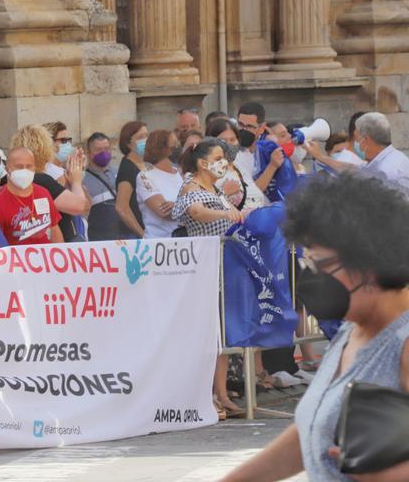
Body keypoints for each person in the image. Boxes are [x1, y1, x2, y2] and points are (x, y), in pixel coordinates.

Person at [223, 172, 409, 482]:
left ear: (369, 261)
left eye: (318, 264)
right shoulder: (353, 330)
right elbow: (311, 434)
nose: (309, 277)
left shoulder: (402, 343)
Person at [173, 138, 245, 419]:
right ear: (203, 163)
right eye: (218, 157)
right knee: (205, 337)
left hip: (223, 268)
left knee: (221, 336)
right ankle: (203, 395)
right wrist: (225, 212)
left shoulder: (214, 188)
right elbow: (195, 213)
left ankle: (222, 393)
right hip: (203, 270)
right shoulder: (191, 187)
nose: (223, 162)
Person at [10, 125, 89, 242]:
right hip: (59, 247)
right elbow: (80, 206)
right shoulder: (41, 180)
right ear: (44, 149)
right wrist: (76, 181)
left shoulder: (15, 181)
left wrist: (69, 178)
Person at [306, 112, 409, 192]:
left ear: (367, 140)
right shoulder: (388, 159)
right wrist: (320, 156)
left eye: (357, 139)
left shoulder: (388, 170)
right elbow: (354, 170)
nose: (356, 144)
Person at [0, 147, 63, 245]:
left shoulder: (43, 193)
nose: (24, 170)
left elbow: (54, 229)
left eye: (29, 166)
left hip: (46, 257)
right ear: (7, 169)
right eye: (19, 166)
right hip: (18, 259)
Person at [207, 118, 268, 211]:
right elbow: (205, 209)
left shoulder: (239, 166)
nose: (229, 144)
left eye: (233, 139)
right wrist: (224, 193)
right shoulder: (208, 171)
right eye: (223, 141)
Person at [135, 130, 181, 239]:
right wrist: (189, 208)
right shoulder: (145, 176)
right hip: (159, 242)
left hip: (184, 240)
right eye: (174, 145)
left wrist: (177, 206)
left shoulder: (181, 174)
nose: (178, 147)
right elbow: (164, 211)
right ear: (162, 149)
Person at [83, 132, 120, 241]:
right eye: (98, 150)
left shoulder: (120, 173)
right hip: (99, 239)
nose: (104, 153)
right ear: (88, 153)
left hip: (123, 236)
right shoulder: (82, 179)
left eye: (107, 149)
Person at [114, 121, 148, 239]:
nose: (146, 140)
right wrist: (142, 234)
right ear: (128, 143)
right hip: (133, 235)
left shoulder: (145, 165)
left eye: (146, 135)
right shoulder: (128, 168)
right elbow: (121, 206)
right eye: (140, 137)